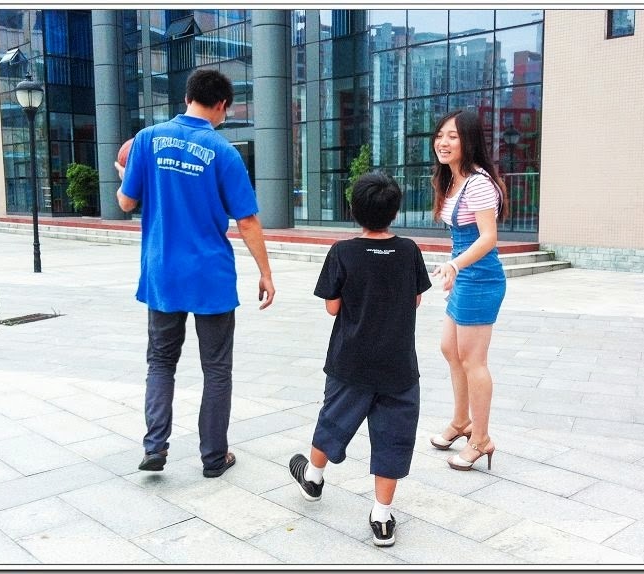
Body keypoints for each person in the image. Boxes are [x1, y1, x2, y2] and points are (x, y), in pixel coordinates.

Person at [116, 69, 275, 478]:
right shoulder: (223, 151)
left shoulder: (147, 140)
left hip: (163, 272)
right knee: (216, 368)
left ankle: (155, 446)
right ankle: (213, 458)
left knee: (160, 362)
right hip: (210, 276)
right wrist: (265, 272)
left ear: (187, 97)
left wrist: (123, 177)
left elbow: (126, 203)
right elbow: (247, 220)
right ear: (221, 105)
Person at [288, 172, 432, 547]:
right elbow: (416, 299)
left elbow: (332, 308)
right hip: (398, 366)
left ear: (353, 210)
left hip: (349, 362)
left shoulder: (342, 252)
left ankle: (313, 478)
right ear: (395, 211)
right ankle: (381, 517)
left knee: (333, 420)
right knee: (394, 437)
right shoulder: (409, 251)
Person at [428, 109, 509, 472]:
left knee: (474, 360)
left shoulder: (478, 183)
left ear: (469, 141)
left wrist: (456, 265)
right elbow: (462, 239)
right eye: (440, 135)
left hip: (481, 279)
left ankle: (481, 439)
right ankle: (461, 422)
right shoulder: (452, 179)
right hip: (465, 276)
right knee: (450, 349)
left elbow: (488, 238)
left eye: (453, 136)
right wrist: (453, 268)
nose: (443, 143)